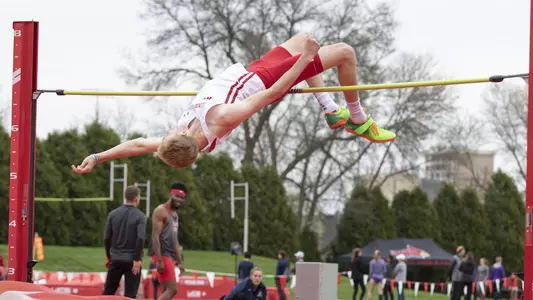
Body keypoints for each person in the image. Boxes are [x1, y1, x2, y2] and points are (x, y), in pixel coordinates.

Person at [70, 34, 396, 174]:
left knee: (303, 35)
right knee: (345, 53)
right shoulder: (222, 119)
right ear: (184, 141)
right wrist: (306, 60)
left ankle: (329, 110)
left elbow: (139, 143)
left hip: (253, 69)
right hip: (267, 79)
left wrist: (98, 156)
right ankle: (355, 117)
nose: (170, 130)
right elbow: (270, 95)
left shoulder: (184, 135)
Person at [102, 185, 147, 298]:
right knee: (130, 296)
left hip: (115, 258)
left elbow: (107, 237)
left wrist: (109, 255)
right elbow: (140, 238)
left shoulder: (112, 214)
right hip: (132, 261)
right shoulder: (140, 216)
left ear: (125, 197)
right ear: (137, 198)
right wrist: (137, 259)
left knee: (108, 293)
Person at [147, 183, 187, 300]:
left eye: (182, 198)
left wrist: (180, 261)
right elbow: (155, 236)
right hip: (162, 254)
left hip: (169, 255)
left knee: (165, 290)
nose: (179, 199)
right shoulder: (161, 211)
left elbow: (175, 240)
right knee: (173, 289)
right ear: (171, 194)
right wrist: (159, 260)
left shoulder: (175, 215)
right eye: (177, 196)